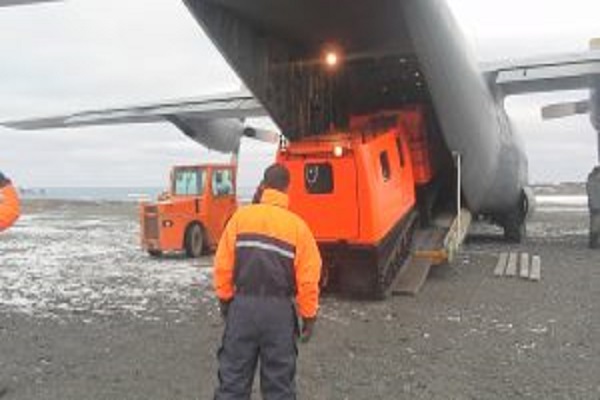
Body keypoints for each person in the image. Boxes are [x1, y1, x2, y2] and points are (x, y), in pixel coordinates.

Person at [213, 163, 322, 400]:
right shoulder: (298, 228)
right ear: (287, 188)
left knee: (232, 383)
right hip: (279, 314)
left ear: (263, 185)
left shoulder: (240, 219)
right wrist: (309, 316)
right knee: (279, 388)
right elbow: (308, 279)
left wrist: (225, 301)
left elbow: (222, 265)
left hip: (242, 309)